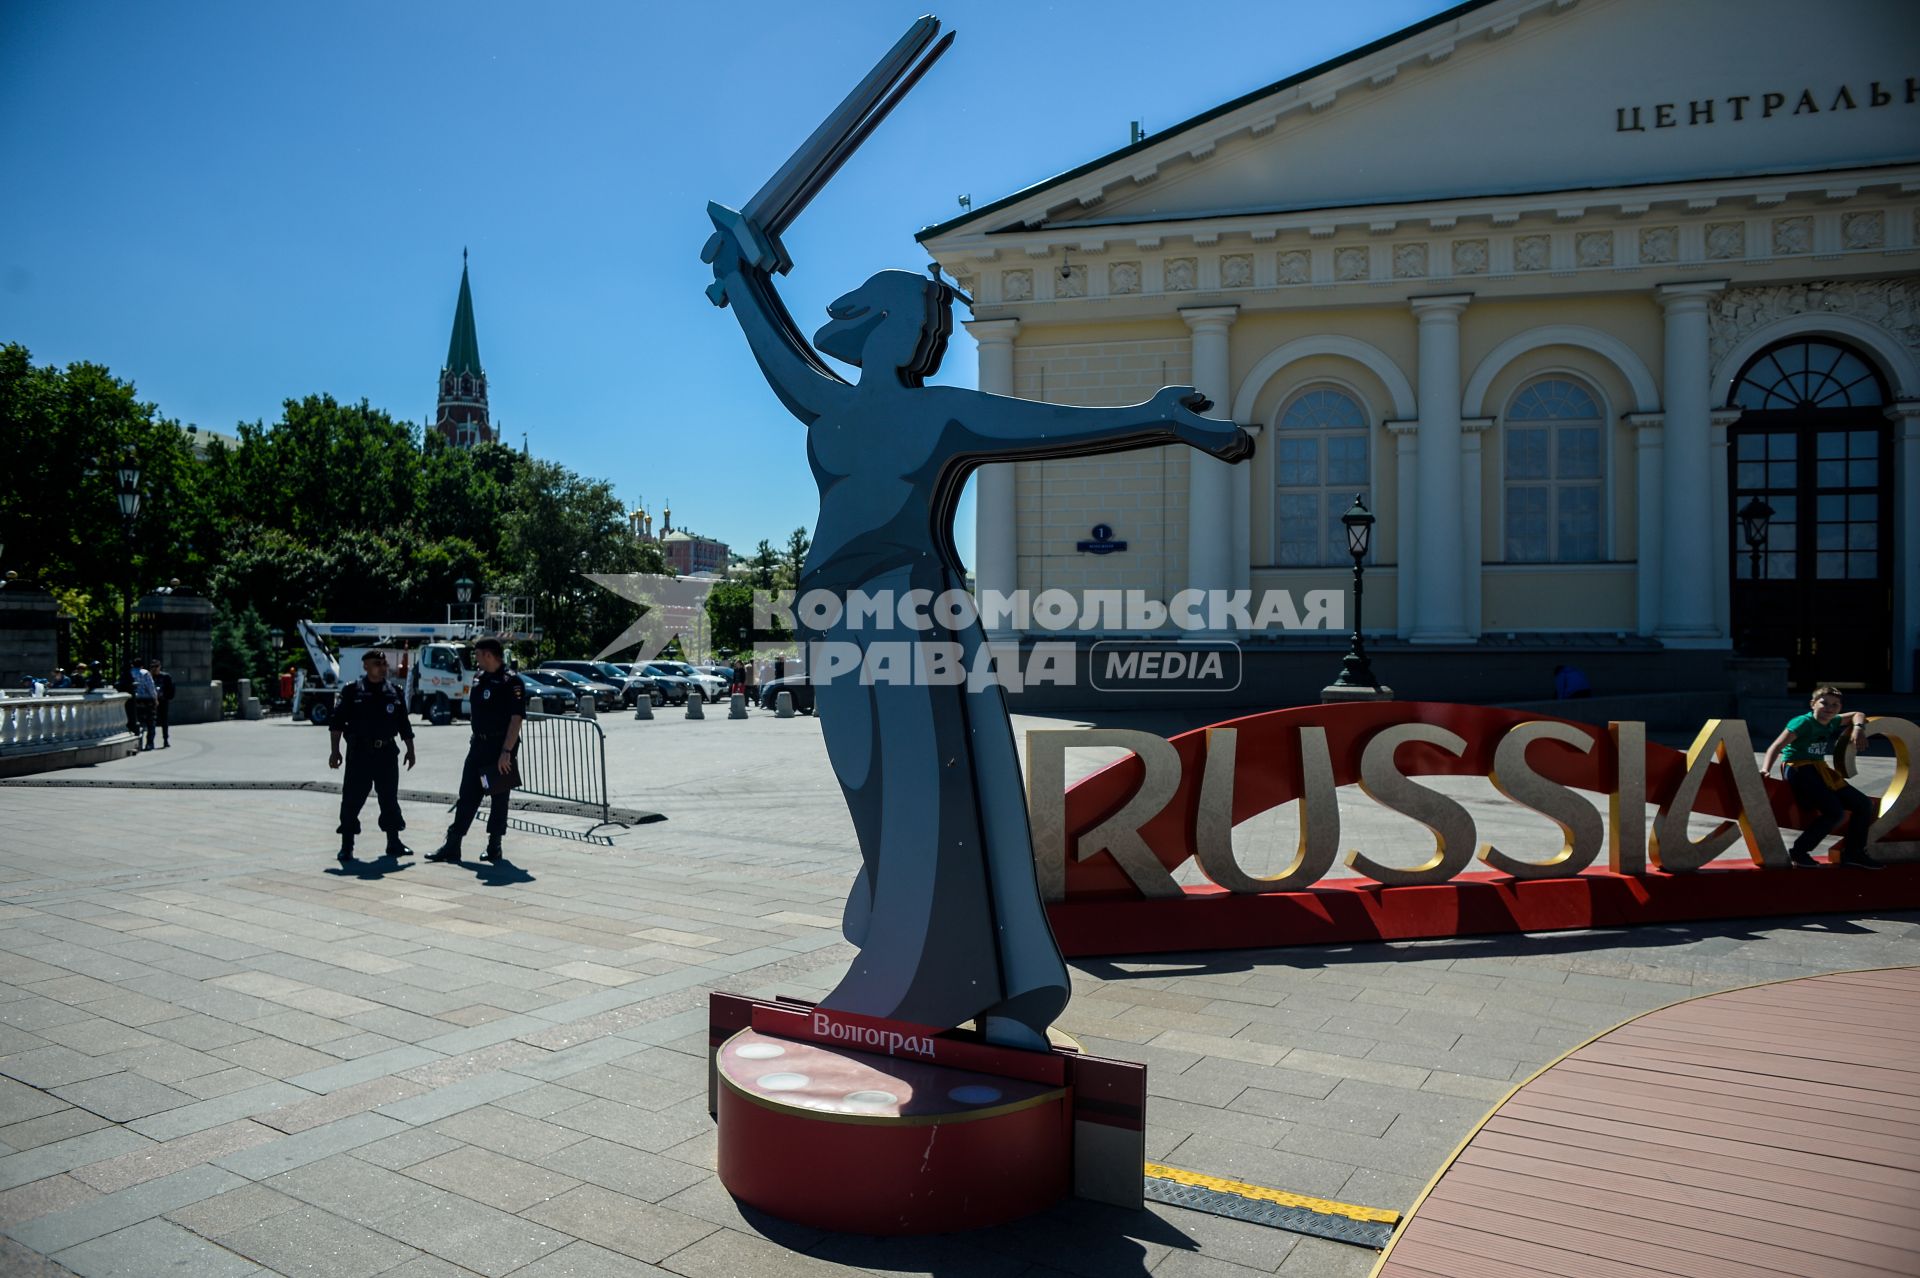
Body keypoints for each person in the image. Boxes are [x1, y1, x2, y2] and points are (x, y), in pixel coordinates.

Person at [705, 210, 1250, 1047]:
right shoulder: (830, 405)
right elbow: (774, 348)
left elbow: (1055, 426)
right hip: (834, 612)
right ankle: (908, 947)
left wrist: (1158, 417)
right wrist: (741, 279)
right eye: (912, 321)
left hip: (906, 603)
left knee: (929, 790)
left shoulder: (943, 415)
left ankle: (931, 979)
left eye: (916, 325)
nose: (920, 337)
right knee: (868, 780)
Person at [1760, 686, 1882, 870]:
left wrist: (1858, 728)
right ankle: (1799, 852)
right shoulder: (1802, 723)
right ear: (1813, 704)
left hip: (1820, 770)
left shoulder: (1833, 721)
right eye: (1824, 703)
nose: (1829, 708)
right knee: (1834, 811)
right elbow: (1776, 746)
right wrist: (1765, 769)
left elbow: (1858, 713)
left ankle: (1853, 853)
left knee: (1864, 804)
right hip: (1799, 768)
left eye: (1835, 705)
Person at [429, 637, 524, 865]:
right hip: (479, 746)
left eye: (478, 654)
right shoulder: (479, 677)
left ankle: (494, 846)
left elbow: (516, 719)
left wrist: (506, 752)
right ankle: (453, 844)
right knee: (467, 795)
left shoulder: (511, 681)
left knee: (499, 797)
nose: (476, 659)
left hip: (499, 747)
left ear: (489, 655)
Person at [327, 651, 416, 864]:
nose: (382, 667)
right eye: (377, 664)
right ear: (365, 666)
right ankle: (346, 846)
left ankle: (393, 842)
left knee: (389, 799)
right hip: (360, 754)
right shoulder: (352, 691)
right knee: (352, 799)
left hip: (386, 753)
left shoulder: (394, 691)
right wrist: (335, 750)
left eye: (384, 663)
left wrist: (410, 750)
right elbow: (337, 723)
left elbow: (404, 723)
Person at [129, 659, 159, 750]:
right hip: (147, 700)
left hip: (134, 700)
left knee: (137, 721)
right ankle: (149, 743)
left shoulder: (129, 673)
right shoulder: (145, 673)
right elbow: (150, 687)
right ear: (142, 665)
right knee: (150, 722)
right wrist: (155, 699)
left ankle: (138, 742)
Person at [150, 659, 176, 747]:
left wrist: (166, 697)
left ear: (159, 667)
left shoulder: (165, 677)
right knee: (151, 721)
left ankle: (165, 739)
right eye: (153, 667)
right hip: (152, 701)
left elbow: (171, 688)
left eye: (156, 666)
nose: (154, 669)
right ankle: (150, 741)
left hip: (163, 701)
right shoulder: (149, 677)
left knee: (164, 720)